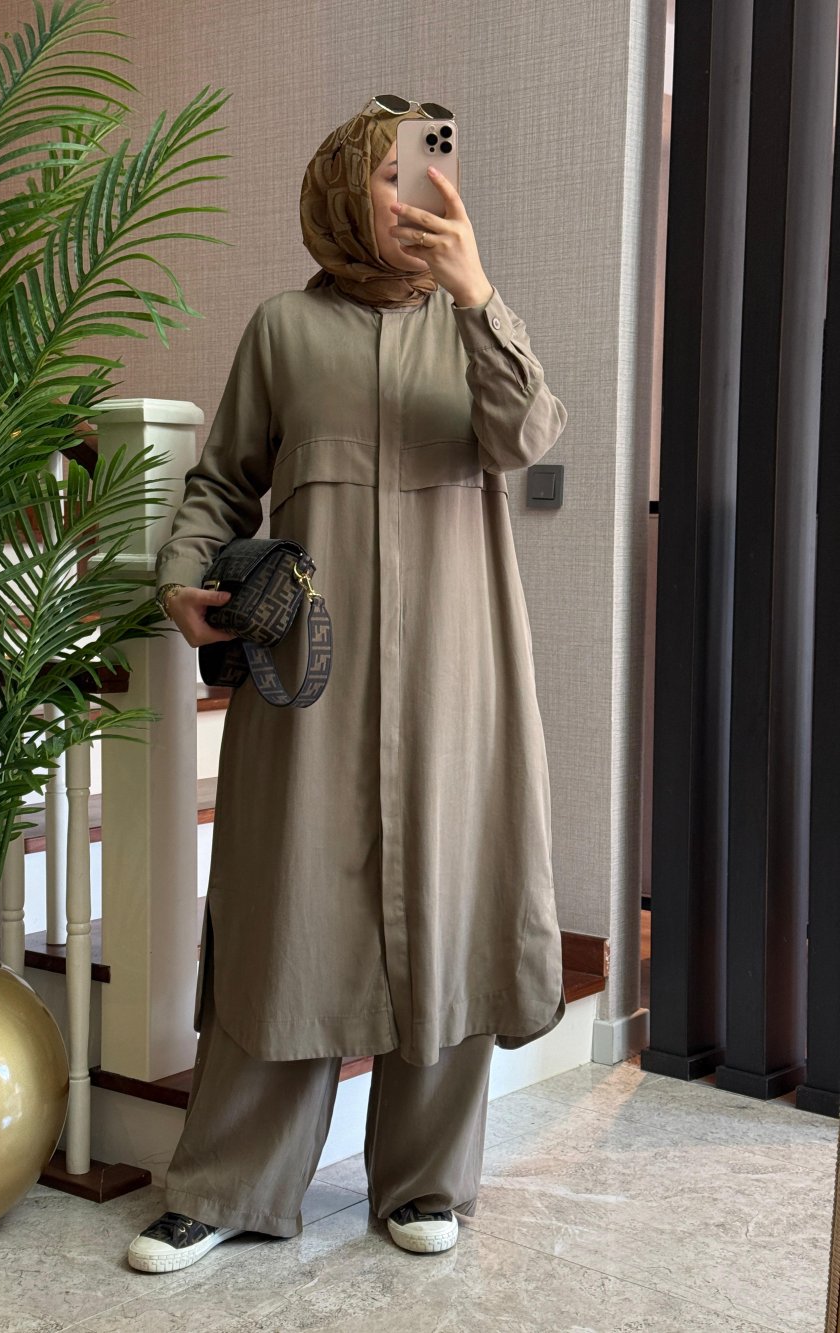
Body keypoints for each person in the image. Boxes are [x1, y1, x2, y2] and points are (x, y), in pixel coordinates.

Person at [128, 97, 568, 1274]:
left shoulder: (477, 323)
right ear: (339, 188)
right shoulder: (284, 329)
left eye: (431, 168)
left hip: (459, 676)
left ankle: (425, 1180)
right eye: (389, 172)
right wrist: (180, 578)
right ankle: (227, 1183)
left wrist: (476, 296)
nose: (416, 191)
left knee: (450, 904)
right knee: (284, 914)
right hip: (307, 680)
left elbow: (526, 436)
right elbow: (222, 483)